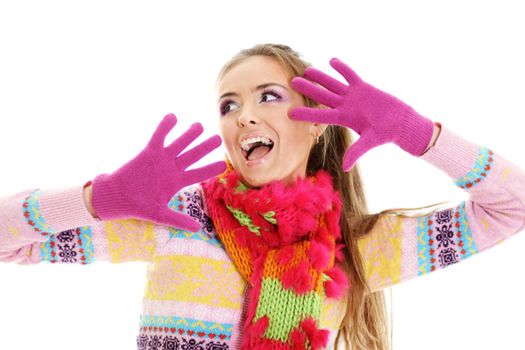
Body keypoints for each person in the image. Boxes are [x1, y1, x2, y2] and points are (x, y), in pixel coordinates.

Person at [1, 43, 524, 350]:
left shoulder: (359, 247)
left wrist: (416, 133)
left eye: (268, 97)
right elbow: (8, 242)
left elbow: (513, 206)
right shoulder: (181, 218)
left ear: (319, 124)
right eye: (228, 105)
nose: (242, 116)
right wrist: (100, 198)